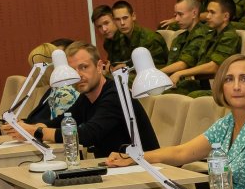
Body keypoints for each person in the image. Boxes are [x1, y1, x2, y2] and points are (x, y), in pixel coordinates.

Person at [106, 55, 245, 189]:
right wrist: (134, 158)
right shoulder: (227, 123)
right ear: (221, 87)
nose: (236, 86)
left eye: (244, 79)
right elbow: (181, 152)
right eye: (229, 79)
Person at [26, 42, 157, 157]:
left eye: (84, 67)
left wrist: (39, 132)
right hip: (114, 166)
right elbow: (62, 121)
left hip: (140, 169)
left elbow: (87, 135)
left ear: (99, 67)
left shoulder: (115, 95)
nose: (78, 75)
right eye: (72, 70)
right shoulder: (86, 97)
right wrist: (35, 127)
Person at [169, 0, 240, 94]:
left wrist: (180, 73)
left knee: (182, 95)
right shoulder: (211, 34)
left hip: (220, 86)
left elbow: (214, 67)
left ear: (226, 16)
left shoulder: (230, 36)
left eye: (212, 13)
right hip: (202, 82)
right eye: (208, 12)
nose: (207, 16)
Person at [110, 1, 167, 68]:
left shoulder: (150, 39)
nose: (122, 23)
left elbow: (158, 68)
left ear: (133, 16)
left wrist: (127, 67)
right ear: (113, 21)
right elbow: (117, 62)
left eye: (125, 18)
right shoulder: (119, 37)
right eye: (117, 19)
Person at [161, 0, 209, 73]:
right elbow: (171, 63)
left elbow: (183, 64)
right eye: (176, 15)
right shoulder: (180, 37)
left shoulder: (202, 35)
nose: (176, 19)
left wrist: (156, 74)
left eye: (180, 14)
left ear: (194, 13)